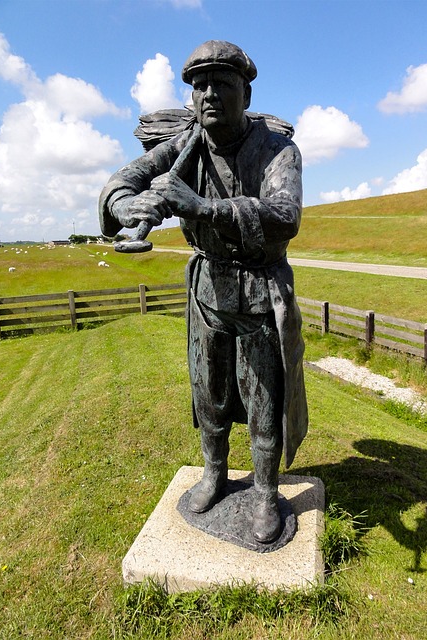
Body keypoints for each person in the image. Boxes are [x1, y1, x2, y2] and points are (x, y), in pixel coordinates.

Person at [99, 40, 308, 543]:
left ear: (246, 91)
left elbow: (285, 217)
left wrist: (202, 208)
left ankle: (263, 492)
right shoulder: (185, 145)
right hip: (208, 294)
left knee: (262, 402)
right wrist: (127, 207)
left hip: (259, 296)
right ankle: (214, 475)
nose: (209, 94)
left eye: (222, 84)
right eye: (199, 86)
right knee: (209, 395)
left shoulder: (278, 150)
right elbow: (121, 181)